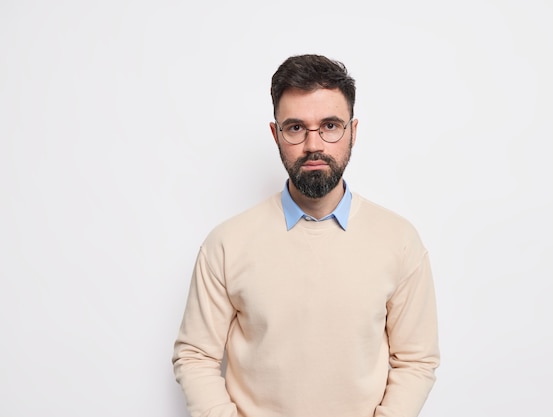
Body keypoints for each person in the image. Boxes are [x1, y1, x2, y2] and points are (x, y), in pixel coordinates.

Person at [172, 54, 440, 417]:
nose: (314, 145)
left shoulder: (400, 241)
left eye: (330, 126)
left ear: (353, 131)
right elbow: (195, 356)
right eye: (296, 127)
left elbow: (417, 360)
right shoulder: (226, 244)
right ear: (276, 134)